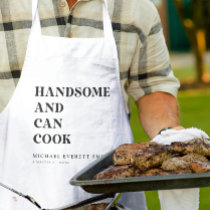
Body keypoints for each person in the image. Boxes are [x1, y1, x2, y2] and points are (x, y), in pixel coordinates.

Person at [0, 0, 206, 209]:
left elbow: (152, 89)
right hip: (15, 199)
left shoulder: (136, 8)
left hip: (114, 202)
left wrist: (174, 138)